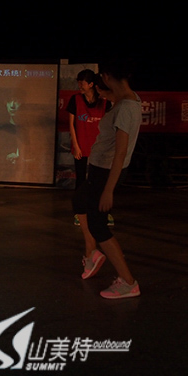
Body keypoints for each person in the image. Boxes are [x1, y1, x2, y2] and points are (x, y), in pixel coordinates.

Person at [74, 61, 142, 299]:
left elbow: (121, 152)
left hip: (106, 172)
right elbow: (115, 96)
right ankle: (92, 254)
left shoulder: (125, 108)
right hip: (100, 169)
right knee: (79, 200)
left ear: (107, 76)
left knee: (98, 225)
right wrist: (100, 92)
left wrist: (108, 190)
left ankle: (128, 282)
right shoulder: (130, 99)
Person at [67, 69, 111, 226]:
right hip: (81, 146)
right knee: (80, 180)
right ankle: (80, 213)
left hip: (99, 148)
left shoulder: (104, 102)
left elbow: (109, 127)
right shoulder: (75, 100)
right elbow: (71, 125)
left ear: (91, 84)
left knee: (99, 181)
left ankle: (102, 212)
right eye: (78, 82)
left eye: (82, 83)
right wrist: (76, 146)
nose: (79, 86)